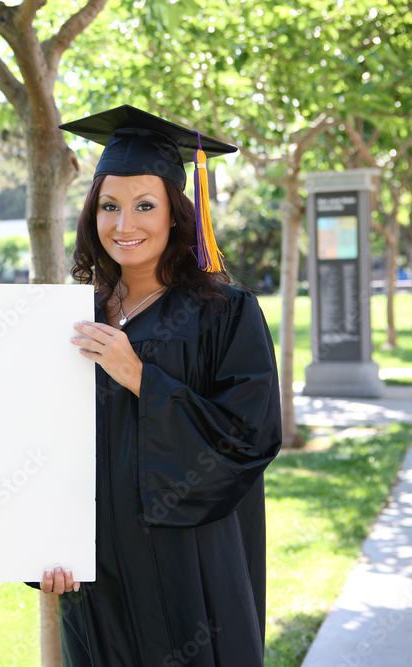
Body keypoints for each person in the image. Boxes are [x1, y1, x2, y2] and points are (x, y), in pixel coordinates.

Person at [39, 105, 282, 666]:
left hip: (188, 569)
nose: (125, 225)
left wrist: (141, 378)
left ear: (176, 212)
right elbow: (38, 444)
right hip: (93, 573)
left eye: (145, 205)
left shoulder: (226, 313)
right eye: (109, 206)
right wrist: (43, 544)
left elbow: (248, 438)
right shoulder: (74, 317)